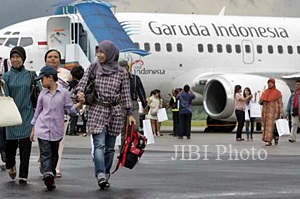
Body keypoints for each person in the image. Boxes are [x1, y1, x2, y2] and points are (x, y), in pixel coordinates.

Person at [76, 40, 135, 189]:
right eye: (98, 52)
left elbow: (125, 94)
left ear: (111, 53)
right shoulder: (94, 67)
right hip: (97, 109)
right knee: (99, 144)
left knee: (110, 148)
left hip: (115, 111)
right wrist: (80, 92)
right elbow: (82, 82)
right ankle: (100, 174)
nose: (99, 55)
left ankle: (106, 173)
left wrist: (130, 113)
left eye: (102, 52)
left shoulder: (122, 73)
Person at [30, 65, 82, 190]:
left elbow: (69, 109)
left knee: (54, 154)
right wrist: (33, 128)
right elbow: (38, 111)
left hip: (57, 129)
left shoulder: (63, 93)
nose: (41, 82)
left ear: (50, 78)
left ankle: (50, 175)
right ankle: (47, 173)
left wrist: (79, 105)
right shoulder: (42, 94)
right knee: (45, 153)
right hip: (43, 128)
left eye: (43, 79)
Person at [2, 46, 34, 183]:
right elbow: (5, 96)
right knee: (10, 148)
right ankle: (10, 165)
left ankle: (23, 175)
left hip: (27, 115)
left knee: (26, 148)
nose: (15, 60)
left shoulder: (30, 75)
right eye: (13, 57)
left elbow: (37, 92)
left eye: (18, 57)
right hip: (12, 116)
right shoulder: (6, 77)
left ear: (23, 59)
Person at [44, 49, 71, 178]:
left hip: (61, 114)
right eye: (50, 57)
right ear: (45, 59)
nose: (53, 59)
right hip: (45, 114)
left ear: (60, 60)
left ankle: (56, 167)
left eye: (55, 57)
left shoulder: (66, 74)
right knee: (44, 141)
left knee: (60, 142)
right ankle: (45, 163)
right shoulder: (40, 73)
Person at [119, 60, 147, 143]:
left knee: (134, 127)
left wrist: (145, 105)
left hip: (133, 103)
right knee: (122, 129)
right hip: (121, 104)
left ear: (127, 69)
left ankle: (132, 146)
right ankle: (123, 150)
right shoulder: (117, 79)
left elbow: (141, 92)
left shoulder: (135, 79)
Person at [259, 78, 283, 146]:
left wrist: (281, 112)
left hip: (274, 113)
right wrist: (262, 96)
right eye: (269, 83)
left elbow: (280, 103)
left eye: (271, 83)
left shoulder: (277, 92)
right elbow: (260, 102)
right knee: (266, 126)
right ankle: (269, 139)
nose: (270, 84)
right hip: (265, 112)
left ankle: (271, 139)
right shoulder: (265, 91)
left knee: (272, 126)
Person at [67, 66, 84, 136]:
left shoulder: (69, 84)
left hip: (68, 101)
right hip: (75, 102)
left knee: (69, 118)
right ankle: (72, 130)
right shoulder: (80, 85)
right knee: (74, 117)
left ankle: (68, 130)